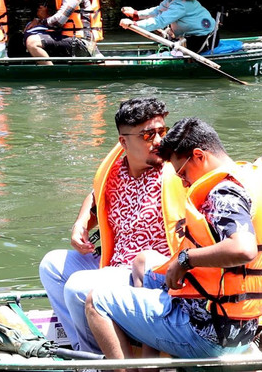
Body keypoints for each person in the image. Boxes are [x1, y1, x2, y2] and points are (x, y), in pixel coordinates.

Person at [85, 117, 262, 363]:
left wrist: (185, 260)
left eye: (183, 173)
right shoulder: (256, 181)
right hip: (241, 327)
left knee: (96, 300)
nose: (184, 182)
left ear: (199, 155)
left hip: (209, 333)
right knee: (144, 264)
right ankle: (148, 367)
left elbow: (243, 249)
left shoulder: (223, 192)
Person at [37, 97, 178, 352]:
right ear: (123, 142)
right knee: (52, 265)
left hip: (148, 275)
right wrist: (81, 223)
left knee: (77, 287)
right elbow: (95, 195)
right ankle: (85, 347)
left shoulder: (175, 173)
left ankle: (97, 360)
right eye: (148, 135)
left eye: (162, 132)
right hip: (112, 264)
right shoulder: (115, 171)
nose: (159, 141)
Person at [119, 0, 218, 51]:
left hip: (204, 38)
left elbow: (160, 21)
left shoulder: (181, 4)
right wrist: (136, 14)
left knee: (175, 50)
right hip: (190, 35)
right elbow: (158, 10)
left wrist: (134, 25)